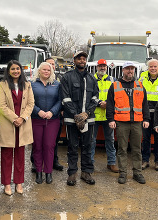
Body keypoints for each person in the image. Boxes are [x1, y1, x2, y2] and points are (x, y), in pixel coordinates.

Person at [0, 60, 34, 195]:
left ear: (21, 70)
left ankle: (19, 182)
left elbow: (30, 103)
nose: (16, 71)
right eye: (13, 69)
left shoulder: (27, 85)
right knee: (6, 156)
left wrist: (22, 118)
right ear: (8, 71)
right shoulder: (2, 85)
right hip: (8, 124)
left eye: (18, 69)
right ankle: (6, 184)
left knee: (20, 155)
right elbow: (1, 105)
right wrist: (14, 118)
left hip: (22, 124)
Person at [106, 61, 150, 184]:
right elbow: (110, 104)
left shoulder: (140, 85)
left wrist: (146, 119)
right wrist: (111, 119)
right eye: (127, 69)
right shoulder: (115, 86)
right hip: (121, 122)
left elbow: (144, 104)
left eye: (132, 69)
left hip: (137, 122)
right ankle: (123, 173)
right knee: (122, 149)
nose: (130, 71)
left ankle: (137, 173)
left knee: (136, 149)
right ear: (123, 70)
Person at [61, 51, 99, 186]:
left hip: (88, 119)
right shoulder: (67, 77)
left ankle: (86, 173)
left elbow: (95, 98)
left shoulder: (92, 78)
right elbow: (65, 98)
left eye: (84, 58)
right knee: (72, 147)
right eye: (79, 58)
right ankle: (72, 173)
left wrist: (86, 114)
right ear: (74, 60)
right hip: (72, 119)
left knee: (87, 146)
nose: (82, 60)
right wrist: (77, 116)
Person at [30, 57, 64, 172]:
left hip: (52, 119)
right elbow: (29, 101)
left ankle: (48, 172)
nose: (46, 71)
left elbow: (60, 101)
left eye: (48, 70)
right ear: (39, 70)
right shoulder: (31, 84)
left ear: (52, 72)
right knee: (37, 146)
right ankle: (38, 170)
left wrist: (52, 112)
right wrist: (38, 111)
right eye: (44, 69)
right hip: (36, 119)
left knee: (49, 146)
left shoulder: (57, 84)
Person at [139, 59, 158, 171]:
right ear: (148, 68)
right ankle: (145, 160)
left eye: (155, 66)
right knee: (145, 138)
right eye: (151, 66)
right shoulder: (142, 78)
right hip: (145, 113)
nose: (153, 68)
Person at [90, 59, 118, 173]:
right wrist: (99, 102)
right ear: (97, 67)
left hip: (108, 115)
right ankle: (89, 163)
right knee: (91, 140)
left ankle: (111, 163)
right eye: (100, 66)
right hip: (94, 115)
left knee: (110, 140)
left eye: (104, 66)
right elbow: (88, 94)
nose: (102, 68)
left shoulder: (112, 80)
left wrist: (107, 103)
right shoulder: (91, 79)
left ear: (107, 68)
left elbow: (116, 95)